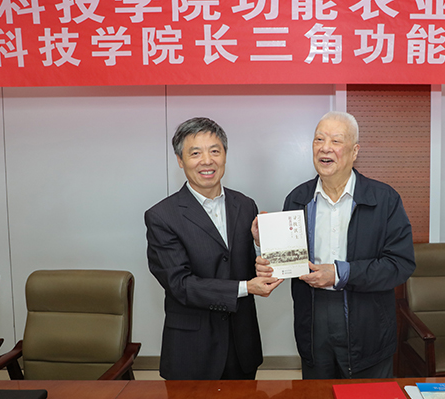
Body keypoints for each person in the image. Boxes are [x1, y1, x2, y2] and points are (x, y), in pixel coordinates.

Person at [255, 111, 415, 379]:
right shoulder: (298, 198)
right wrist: (265, 248)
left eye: (336, 141)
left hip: (367, 321)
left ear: (355, 152)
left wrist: (341, 273)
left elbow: (400, 265)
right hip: (313, 320)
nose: (325, 147)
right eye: (319, 139)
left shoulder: (384, 199)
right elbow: (288, 262)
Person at [145, 117, 283, 380]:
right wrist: (246, 288)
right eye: (195, 153)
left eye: (214, 151)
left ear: (225, 156)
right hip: (193, 349)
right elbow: (180, 284)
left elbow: (243, 266)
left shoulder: (245, 205)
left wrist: (259, 245)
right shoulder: (162, 216)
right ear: (180, 160)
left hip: (242, 345)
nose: (207, 161)